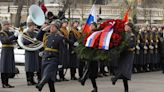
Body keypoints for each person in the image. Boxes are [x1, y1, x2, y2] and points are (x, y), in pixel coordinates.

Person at [36, 20, 65, 92]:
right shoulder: (47, 35)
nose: (51, 28)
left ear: (57, 28)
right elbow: (37, 38)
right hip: (45, 58)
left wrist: (61, 63)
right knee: (50, 80)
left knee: (47, 73)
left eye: (54, 27)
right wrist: (43, 30)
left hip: (53, 59)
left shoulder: (60, 37)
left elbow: (62, 51)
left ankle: (41, 84)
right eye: (51, 26)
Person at [111, 22, 135, 92]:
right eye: (125, 26)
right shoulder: (122, 35)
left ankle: (116, 79)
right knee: (121, 70)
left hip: (128, 55)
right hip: (122, 55)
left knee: (125, 71)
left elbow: (130, 45)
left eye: (127, 26)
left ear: (130, 28)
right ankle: (125, 89)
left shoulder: (132, 36)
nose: (125, 27)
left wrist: (122, 47)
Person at [80, 22, 99, 92]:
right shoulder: (88, 34)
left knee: (92, 71)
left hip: (94, 54)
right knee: (89, 68)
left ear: (95, 26)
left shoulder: (97, 34)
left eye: (92, 26)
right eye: (90, 26)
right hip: (88, 53)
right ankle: (94, 87)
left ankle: (84, 79)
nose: (91, 27)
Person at [0, 20, 18, 88]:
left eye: (9, 24)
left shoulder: (9, 32)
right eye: (7, 24)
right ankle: (4, 83)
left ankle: (7, 83)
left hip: (10, 50)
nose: (9, 26)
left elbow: (14, 39)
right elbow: (5, 41)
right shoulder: (2, 33)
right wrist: (14, 36)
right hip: (5, 51)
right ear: (4, 25)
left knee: (8, 67)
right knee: (4, 67)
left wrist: (17, 35)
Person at [23, 20, 39, 86]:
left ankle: (32, 80)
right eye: (32, 26)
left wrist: (36, 41)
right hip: (28, 50)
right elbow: (25, 42)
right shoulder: (25, 33)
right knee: (29, 66)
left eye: (34, 26)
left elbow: (39, 40)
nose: (34, 27)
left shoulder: (35, 33)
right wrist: (32, 41)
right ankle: (28, 80)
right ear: (29, 26)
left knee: (33, 66)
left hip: (34, 50)